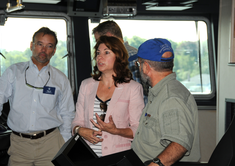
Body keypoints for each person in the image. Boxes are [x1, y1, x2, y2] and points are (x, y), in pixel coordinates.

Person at [0, 27, 75, 166]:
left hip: (50, 143)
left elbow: (67, 114)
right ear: (32, 45)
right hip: (19, 145)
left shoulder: (61, 79)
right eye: (40, 44)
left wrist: (65, 145)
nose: (43, 49)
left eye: (49, 46)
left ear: (54, 51)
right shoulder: (14, 72)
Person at [130, 38, 200, 166]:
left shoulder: (171, 98)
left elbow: (179, 144)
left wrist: (155, 164)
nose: (138, 68)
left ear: (145, 67)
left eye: (138, 64)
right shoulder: (159, 92)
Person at [72, 36, 144, 157]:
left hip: (118, 156)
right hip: (88, 156)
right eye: (98, 53)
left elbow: (138, 129)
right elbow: (76, 122)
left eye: (106, 52)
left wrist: (116, 131)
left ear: (119, 56)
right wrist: (79, 130)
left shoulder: (133, 88)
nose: (100, 57)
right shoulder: (86, 85)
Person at [92, 20, 149, 105]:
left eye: (99, 40)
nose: (98, 45)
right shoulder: (135, 53)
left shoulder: (130, 57)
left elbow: (139, 94)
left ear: (109, 36)